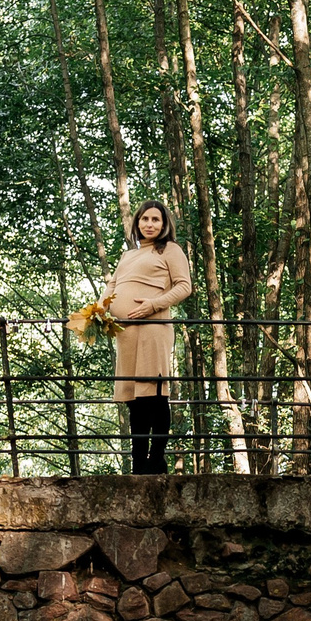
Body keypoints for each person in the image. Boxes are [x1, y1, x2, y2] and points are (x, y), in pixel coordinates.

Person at [107, 202, 192, 474]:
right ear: (137, 223)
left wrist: (153, 304)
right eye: (145, 219)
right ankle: (138, 464)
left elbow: (184, 286)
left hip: (153, 327)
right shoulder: (127, 255)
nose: (150, 224)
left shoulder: (170, 250)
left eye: (156, 219)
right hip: (126, 333)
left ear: (164, 224)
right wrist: (99, 311)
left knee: (155, 394)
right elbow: (112, 286)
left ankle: (156, 460)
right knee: (134, 399)